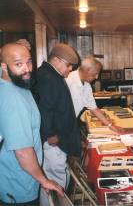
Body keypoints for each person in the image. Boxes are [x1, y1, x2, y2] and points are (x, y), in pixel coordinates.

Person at [0, 43, 63, 205]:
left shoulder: (16, 83)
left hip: (23, 176)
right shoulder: (13, 99)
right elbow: (22, 151)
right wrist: (44, 180)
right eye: (18, 64)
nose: (27, 69)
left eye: (29, 61)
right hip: (18, 184)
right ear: (4, 67)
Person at [32, 43, 80, 205]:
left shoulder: (49, 74)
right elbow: (45, 109)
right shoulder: (48, 77)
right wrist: (51, 134)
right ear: (57, 60)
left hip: (55, 139)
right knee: (56, 181)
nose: (70, 70)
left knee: (54, 178)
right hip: (53, 142)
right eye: (69, 65)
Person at [65, 56, 121, 132]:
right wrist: (51, 133)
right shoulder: (68, 80)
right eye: (95, 74)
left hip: (70, 124)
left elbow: (94, 109)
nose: (96, 77)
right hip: (57, 127)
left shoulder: (87, 86)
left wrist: (110, 126)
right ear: (87, 70)